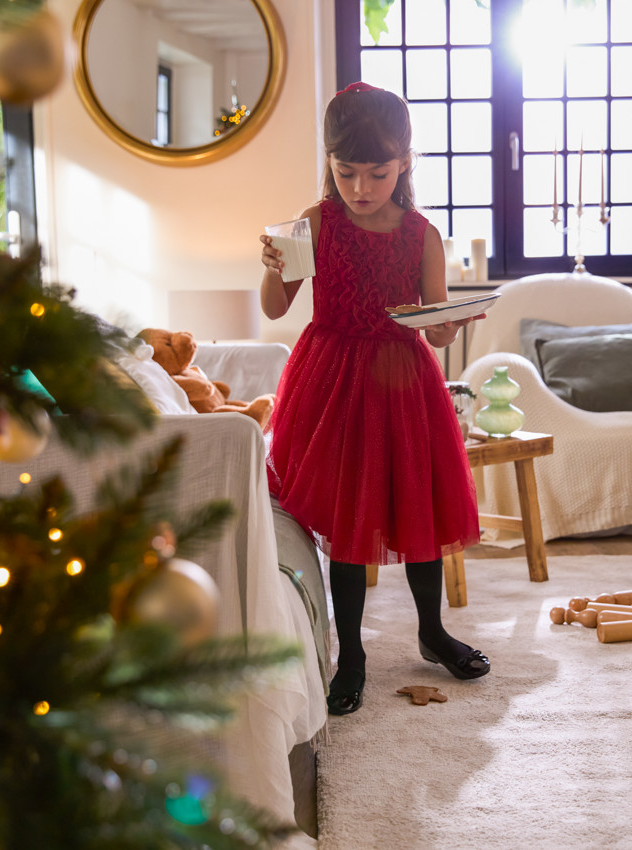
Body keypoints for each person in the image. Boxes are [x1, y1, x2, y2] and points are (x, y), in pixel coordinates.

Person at [259, 82, 488, 716]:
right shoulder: (315, 220)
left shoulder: (422, 236)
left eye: (377, 173)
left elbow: (434, 331)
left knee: (417, 508)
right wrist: (273, 266)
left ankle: (431, 630)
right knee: (349, 523)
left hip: (403, 381)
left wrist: (448, 325)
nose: (360, 188)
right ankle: (351, 653)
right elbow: (278, 306)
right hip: (331, 379)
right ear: (330, 163)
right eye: (346, 171)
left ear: (405, 162)